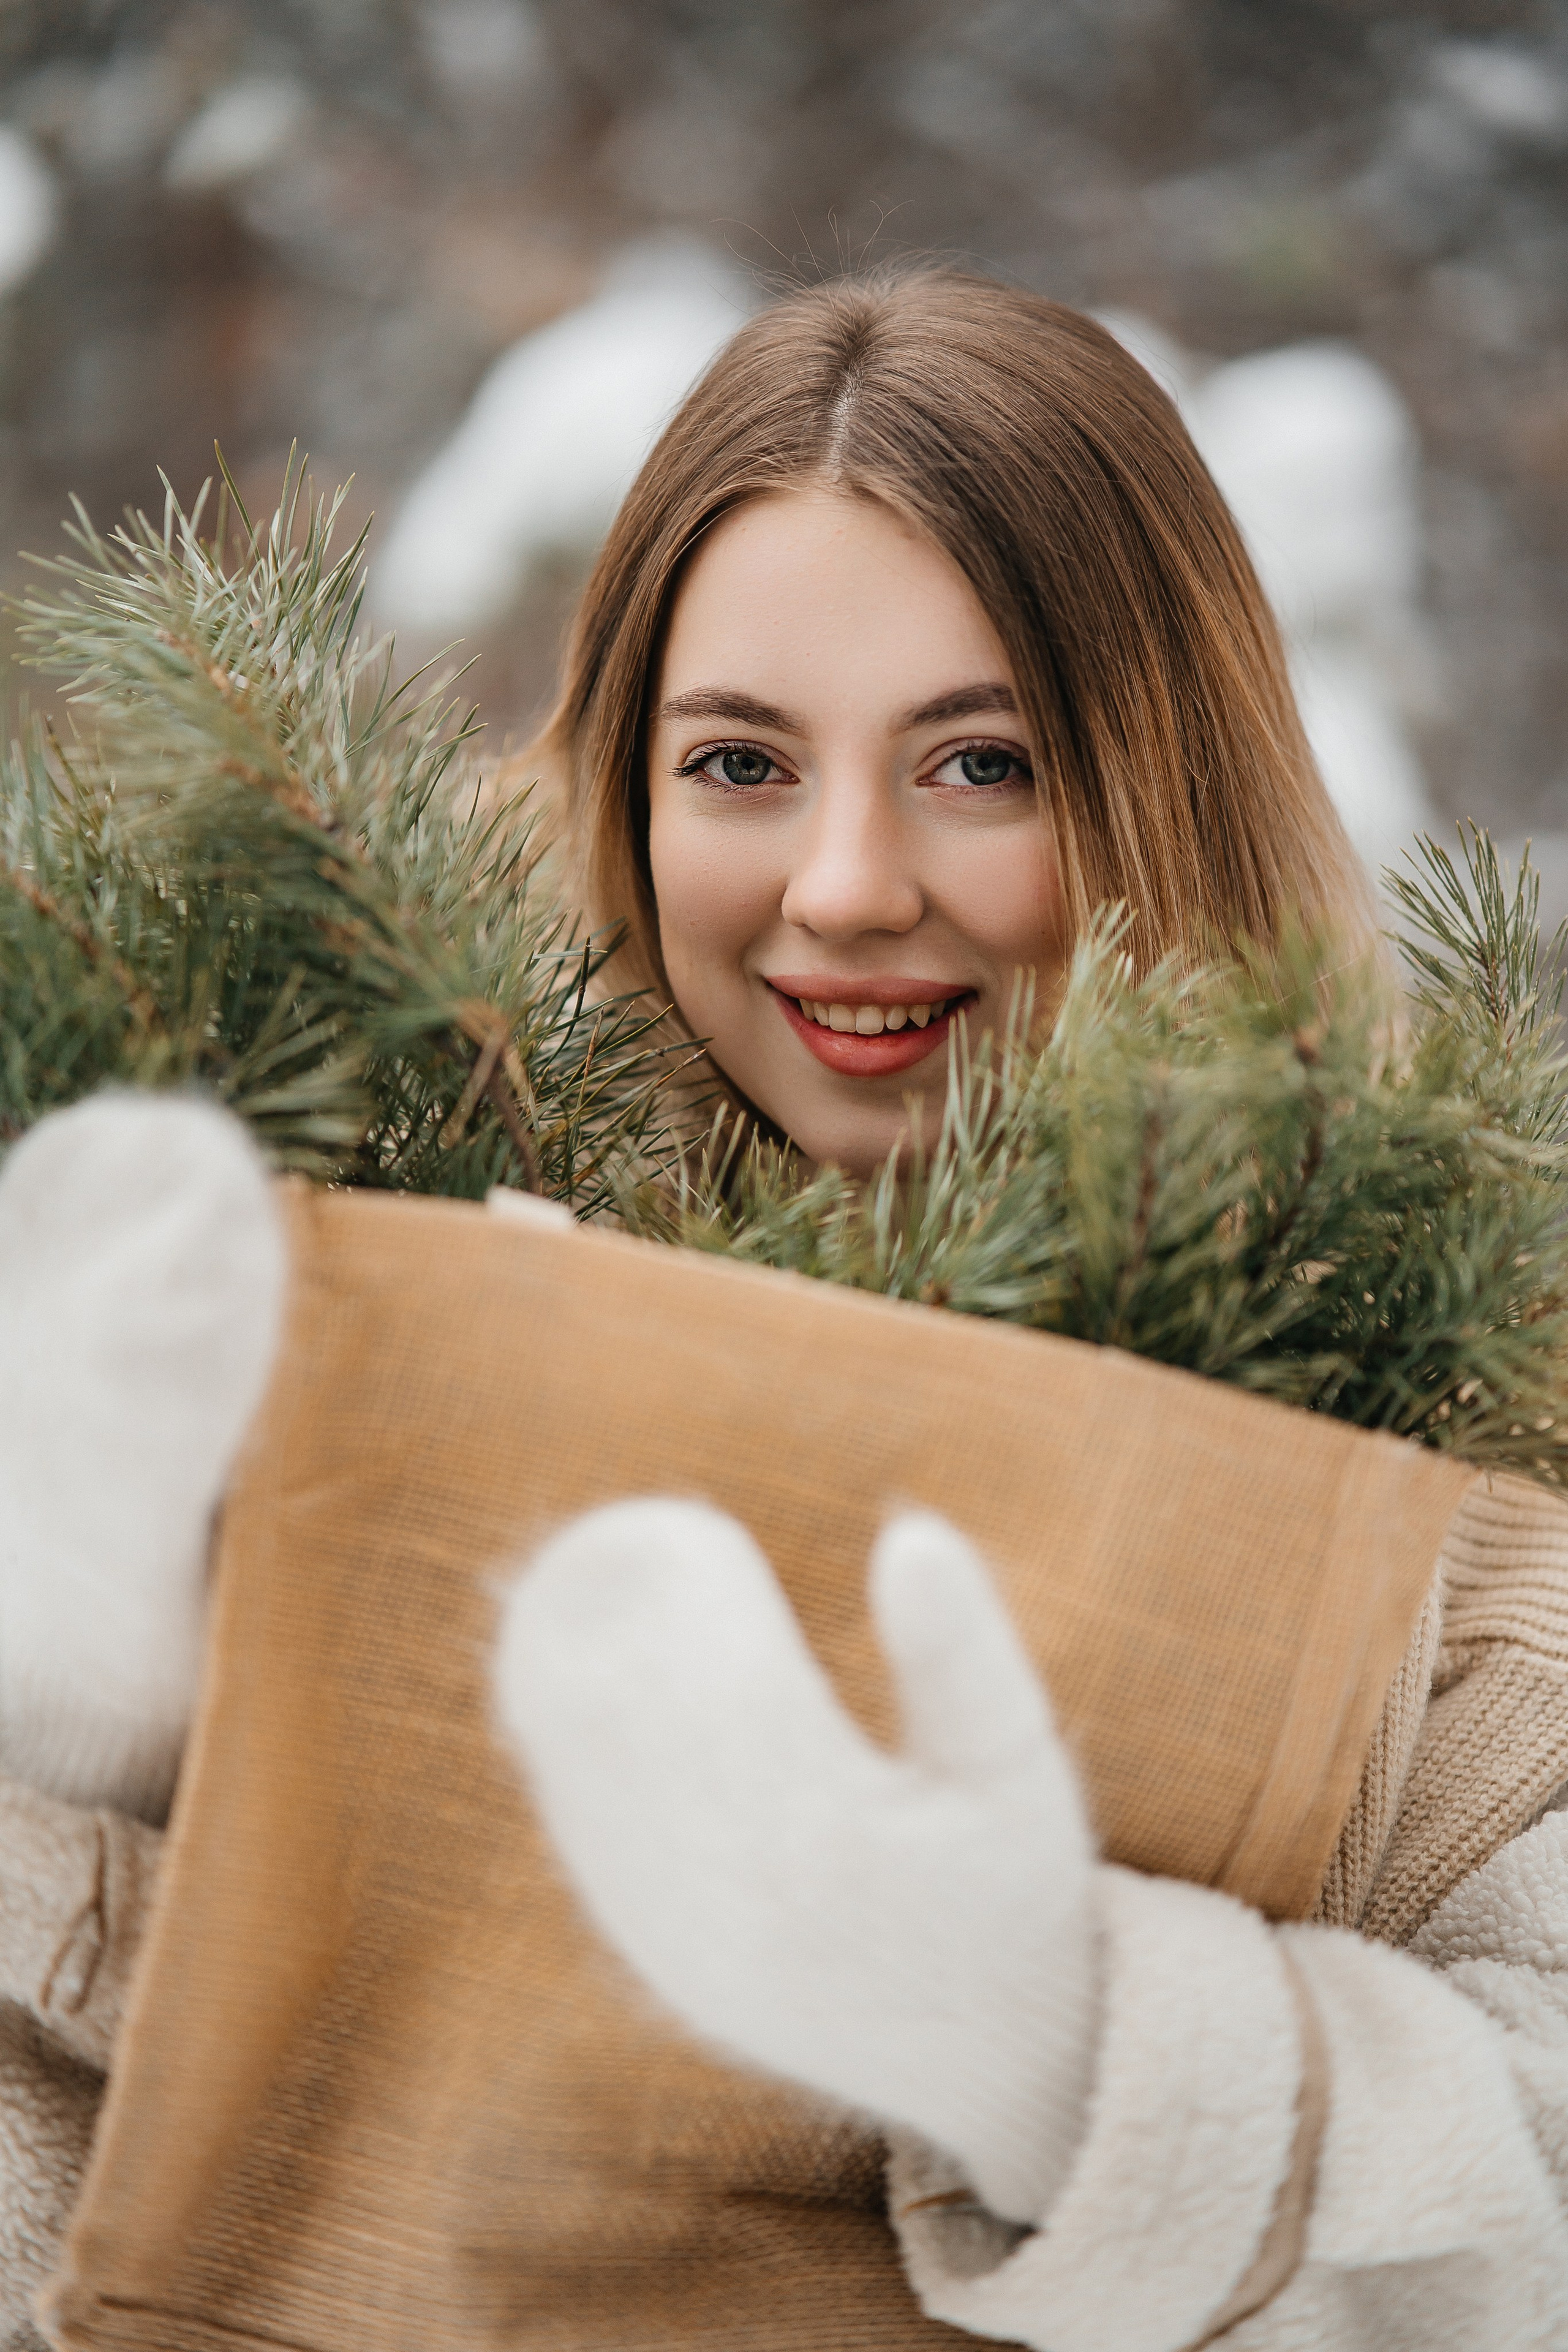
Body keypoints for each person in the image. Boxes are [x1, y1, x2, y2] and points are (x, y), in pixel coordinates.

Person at [492, 268, 1568, 2348]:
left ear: (1165, 781)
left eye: (981, 765)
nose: (844, 885)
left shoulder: (1455, 1465)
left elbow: (1530, 2212)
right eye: (739, 763)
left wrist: (1060, 2043)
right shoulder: (416, 1274)